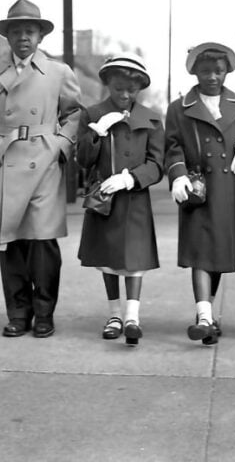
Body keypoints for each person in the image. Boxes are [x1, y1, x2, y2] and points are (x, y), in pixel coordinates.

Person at [0, 0, 82, 338]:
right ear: (7, 36)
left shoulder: (59, 72)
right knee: (13, 243)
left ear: (40, 36)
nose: (23, 37)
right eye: (17, 31)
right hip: (5, 160)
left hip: (44, 161)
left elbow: (74, 114)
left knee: (43, 243)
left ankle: (45, 313)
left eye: (29, 31)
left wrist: (60, 146)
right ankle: (18, 313)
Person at [164, 42, 235, 345]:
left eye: (218, 71)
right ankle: (205, 316)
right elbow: (172, 145)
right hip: (198, 189)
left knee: (219, 253)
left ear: (227, 72)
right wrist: (178, 175)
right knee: (200, 254)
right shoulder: (179, 108)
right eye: (205, 70)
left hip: (229, 190)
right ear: (195, 71)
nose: (212, 77)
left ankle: (205, 315)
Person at [76, 53, 164, 346]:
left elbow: (157, 163)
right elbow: (84, 160)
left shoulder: (151, 118)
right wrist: (97, 132)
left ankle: (132, 317)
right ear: (107, 85)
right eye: (118, 89)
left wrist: (131, 178)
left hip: (135, 199)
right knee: (108, 259)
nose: (125, 95)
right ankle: (114, 314)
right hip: (105, 199)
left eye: (131, 89)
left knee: (134, 260)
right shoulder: (91, 114)